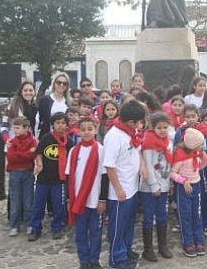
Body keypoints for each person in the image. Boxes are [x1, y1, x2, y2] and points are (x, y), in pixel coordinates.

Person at [103, 100, 147, 269]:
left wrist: (142, 165)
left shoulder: (131, 132)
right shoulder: (114, 136)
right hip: (119, 192)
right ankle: (116, 258)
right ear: (130, 122)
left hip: (132, 187)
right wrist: (119, 189)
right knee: (118, 226)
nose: (141, 124)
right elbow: (110, 166)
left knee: (129, 223)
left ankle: (126, 249)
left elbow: (137, 151)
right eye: (139, 121)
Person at [66, 117, 109, 269]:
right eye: (83, 129)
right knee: (81, 232)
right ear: (78, 131)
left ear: (95, 130)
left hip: (95, 199)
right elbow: (68, 176)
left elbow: (105, 176)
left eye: (89, 129)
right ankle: (84, 260)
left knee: (96, 232)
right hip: (78, 200)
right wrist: (69, 199)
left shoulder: (101, 150)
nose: (86, 132)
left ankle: (94, 260)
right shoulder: (73, 151)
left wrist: (102, 199)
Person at [28, 112, 70, 242]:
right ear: (53, 125)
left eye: (63, 123)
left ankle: (56, 227)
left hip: (59, 180)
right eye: (58, 123)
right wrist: (39, 164)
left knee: (59, 207)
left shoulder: (69, 142)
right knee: (38, 205)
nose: (60, 126)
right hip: (43, 179)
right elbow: (39, 152)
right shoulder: (46, 138)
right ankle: (35, 228)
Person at [139, 112, 174, 262]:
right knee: (148, 217)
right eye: (159, 127)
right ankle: (148, 249)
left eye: (165, 127)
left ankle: (163, 245)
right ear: (152, 127)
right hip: (149, 188)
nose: (163, 130)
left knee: (162, 216)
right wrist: (154, 186)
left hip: (164, 185)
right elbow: (148, 166)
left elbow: (170, 163)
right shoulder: (148, 144)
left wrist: (170, 184)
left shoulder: (168, 142)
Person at [171, 128, 207, 257]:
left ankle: (198, 239)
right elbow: (172, 173)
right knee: (186, 215)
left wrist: (203, 155)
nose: (202, 146)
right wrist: (183, 181)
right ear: (193, 144)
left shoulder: (197, 154)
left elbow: (203, 165)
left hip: (196, 185)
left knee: (197, 214)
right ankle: (187, 241)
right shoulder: (181, 157)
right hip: (184, 188)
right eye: (200, 144)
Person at [6, 117, 38, 237]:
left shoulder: (32, 141)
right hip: (15, 173)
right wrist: (26, 153)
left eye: (18, 128)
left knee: (28, 200)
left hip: (28, 173)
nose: (15, 130)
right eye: (14, 128)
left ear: (26, 128)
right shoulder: (12, 141)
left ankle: (29, 224)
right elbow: (11, 158)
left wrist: (19, 152)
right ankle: (14, 225)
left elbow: (33, 154)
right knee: (15, 200)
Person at [35, 73, 70, 139]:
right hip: (47, 137)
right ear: (54, 83)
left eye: (64, 83)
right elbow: (38, 120)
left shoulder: (68, 103)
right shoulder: (45, 100)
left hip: (63, 138)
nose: (61, 85)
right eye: (59, 82)